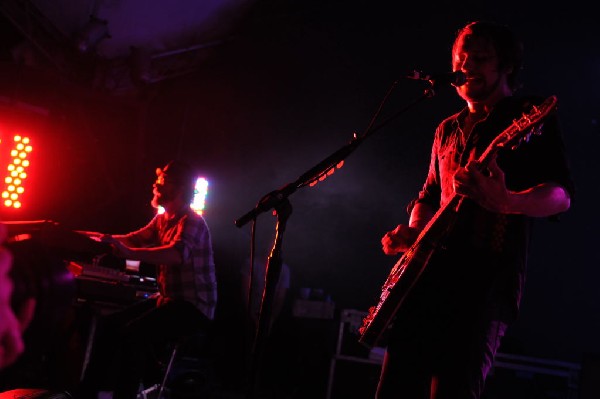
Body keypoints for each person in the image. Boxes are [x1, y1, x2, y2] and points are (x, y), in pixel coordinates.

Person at [375, 21, 574, 399]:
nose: (466, 66)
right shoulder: (445, 129)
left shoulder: (528, 114)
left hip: (483, 289)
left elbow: (561, 194)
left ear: (507, 66)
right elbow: (429, 195)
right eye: (460, 59)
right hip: (423, 286)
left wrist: (508, 202)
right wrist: (415, 232)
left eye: (480, 58)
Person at [77, 160, 217, 399]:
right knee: (109, 325)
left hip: (194, 307)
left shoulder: (191, 221)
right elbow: (133, 239)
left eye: (162, 181)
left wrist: (130, 253)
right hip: (169, 300)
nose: (156, 185)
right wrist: (93, 238)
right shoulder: (163, 219)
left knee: (134, 334)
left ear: (179, 188)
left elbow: (176, 254)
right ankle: (86, 394)